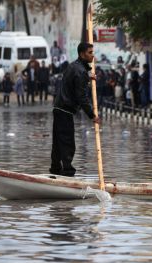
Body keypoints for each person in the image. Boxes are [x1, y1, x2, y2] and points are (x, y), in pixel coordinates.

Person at [50, 42, 99, 177]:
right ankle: (67, 172)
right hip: (65, 110)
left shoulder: (73, 66)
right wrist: (92, 115)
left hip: (58, 108)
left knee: (58, 142)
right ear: (82, 54)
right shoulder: (81, 71)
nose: (92, 55)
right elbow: (81, 97)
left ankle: (55, 169)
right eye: (90, 52)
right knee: (67, 143)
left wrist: (88, 76)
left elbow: (73, 79)